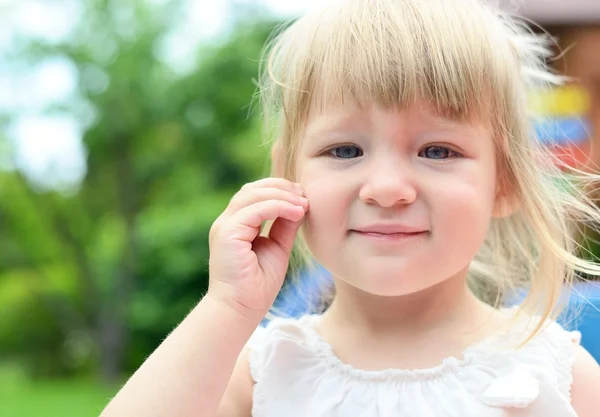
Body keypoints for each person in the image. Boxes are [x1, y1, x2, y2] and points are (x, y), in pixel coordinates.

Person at [100, 0, 600, 416]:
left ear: (505, 181)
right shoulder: (262, 372)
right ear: (287, 177)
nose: (385, 188)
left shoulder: (555, 372)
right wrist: (227, 307)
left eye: (437, 151)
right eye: (344, 151)